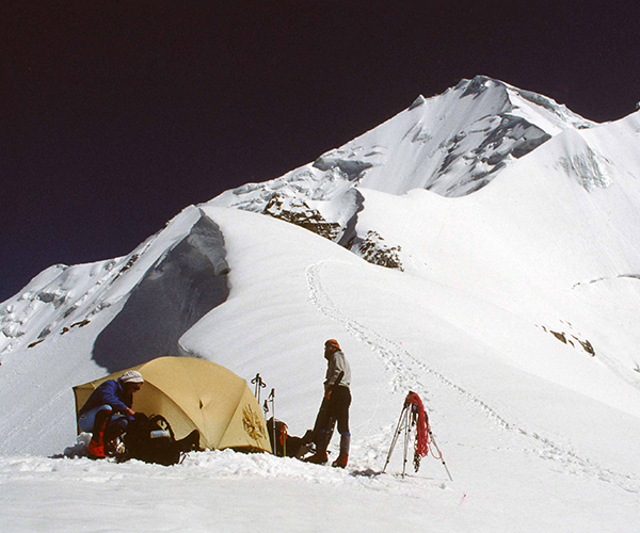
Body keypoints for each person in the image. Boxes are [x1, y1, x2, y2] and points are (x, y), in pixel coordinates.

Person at [306, 339, 352, 468]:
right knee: (342, 423)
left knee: (325, 421)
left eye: (326, 348)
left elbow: (339, 373)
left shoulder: (337, 357)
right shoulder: (341, 358)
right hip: (343, 392)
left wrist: (330, 389)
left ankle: (321, 453)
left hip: (337, 391)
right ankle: (343, 456)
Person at [77, 370, 144, 458]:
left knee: (124, 421)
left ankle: (103, 444)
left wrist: (135, 422)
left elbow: (128, 415)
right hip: (86, 419)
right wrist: (128, 410)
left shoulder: (127, 395)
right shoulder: (110, 385)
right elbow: (107, 399)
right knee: (106, 408)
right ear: (128, 384)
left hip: (102, 420)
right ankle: (95, 447)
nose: (136, 391)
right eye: (135, 387)